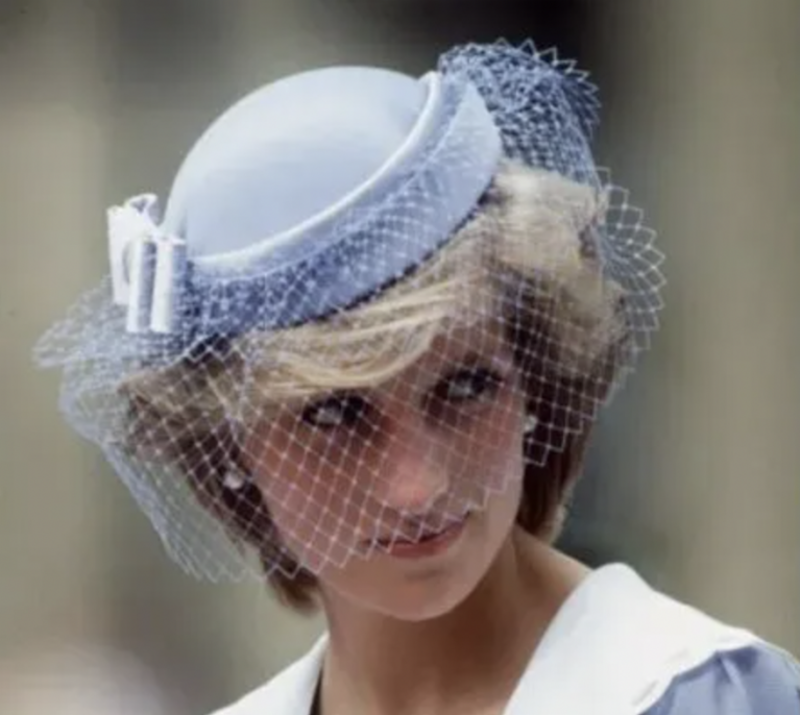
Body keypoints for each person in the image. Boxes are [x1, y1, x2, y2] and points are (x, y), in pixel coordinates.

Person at [35, 40, 799, 714]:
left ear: (533, 380)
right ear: (228, 445)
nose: (418, 485)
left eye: (465, 387)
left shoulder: (706, 698)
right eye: (333, 415)